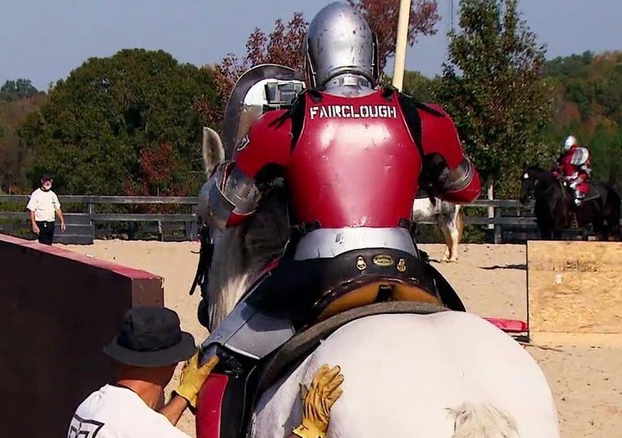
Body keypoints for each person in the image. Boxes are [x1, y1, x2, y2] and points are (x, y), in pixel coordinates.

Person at [198, 2, 481, 437]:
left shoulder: (284, 124)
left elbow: (227, 211)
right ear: (370, 56)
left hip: (316, 270)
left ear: (313, 60)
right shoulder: (425, 118)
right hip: (406, 265)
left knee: (218, 358)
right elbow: (466, 188)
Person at [67, 306, 344, 438]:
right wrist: (307, 432)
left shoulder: (90, 407)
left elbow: (142, 428)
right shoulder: (146, 430)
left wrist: (183, 397)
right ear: (168, 363)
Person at [26, 174, 65, 245]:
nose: (47, 183)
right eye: (45, 181)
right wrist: (34, 224)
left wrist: (62, 221)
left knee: (49, 244)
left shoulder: (53, 195)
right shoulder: (36, 194)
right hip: (40, 223)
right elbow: (32, 210)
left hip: (51, 223)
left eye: (49, 181)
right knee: (43, 244)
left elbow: (57, 209)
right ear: (42, 181)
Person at [555, 134, 592, 207]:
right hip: (563, 179)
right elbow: (558, 168)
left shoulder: (579, 154)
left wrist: (576, 182)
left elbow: (585, 172)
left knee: (577, 202)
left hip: (576, 180)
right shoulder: (563, 156)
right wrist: (556, 174)